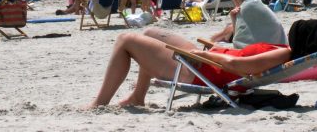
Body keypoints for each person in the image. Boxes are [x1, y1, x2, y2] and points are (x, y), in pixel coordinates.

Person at [87, 27, 291, 107]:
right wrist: (217, 48)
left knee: (125, 40)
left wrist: (203, 53)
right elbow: (237, 56)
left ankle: (99, 102)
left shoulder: (283, 53)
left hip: (203, 70)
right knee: (149, 33)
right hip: (210, 62)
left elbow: (237, 65)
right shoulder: (282, 48)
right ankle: (137, 97)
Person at [201, 0, 286, 47]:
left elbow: (237, 43)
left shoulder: (244, 8)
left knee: (227, 31)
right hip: (281, 47)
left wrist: (233, 19)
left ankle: (211, 41)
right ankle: (212, 40)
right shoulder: (259, 3)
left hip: (266, 54)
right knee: (229, 29)